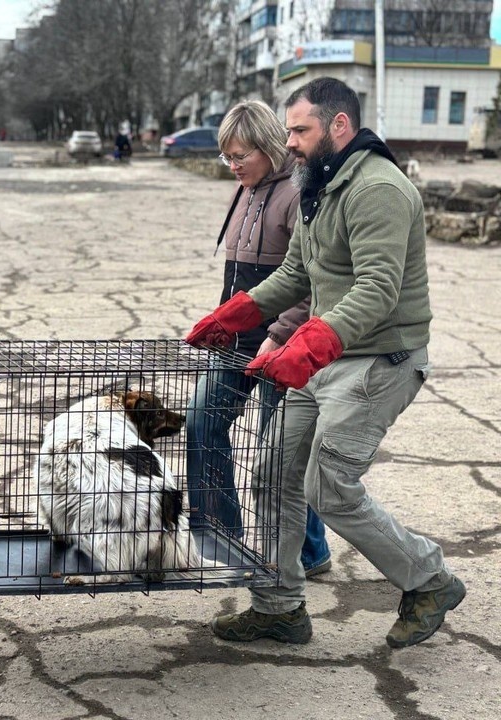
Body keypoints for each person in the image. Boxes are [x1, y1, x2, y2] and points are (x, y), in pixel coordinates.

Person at [186, 77, 464, 648]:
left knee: (329, 488)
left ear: (339, 125)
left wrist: (308, 345)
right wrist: (236, 315)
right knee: (272, 476)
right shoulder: (320, 182)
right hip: (329, 359)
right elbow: (296, 274)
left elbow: (378, 288)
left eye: (299, 129)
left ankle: (430, 579)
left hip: (379, 361)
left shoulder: (378, 189)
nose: (288, 141)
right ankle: (279, 607)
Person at [186, 100, 330, 578]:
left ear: (268, 146)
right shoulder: (244, 189)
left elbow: (306, 281)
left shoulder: (298, 194)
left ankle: (310, 552)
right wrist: (221, 321)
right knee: (202, 423)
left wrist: (279, 335)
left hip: (281, 344)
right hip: (236, 341)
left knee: (279, 455)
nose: (232, 165)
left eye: (239, 155)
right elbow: (238, 275)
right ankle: (220, 535)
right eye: (225, 156)